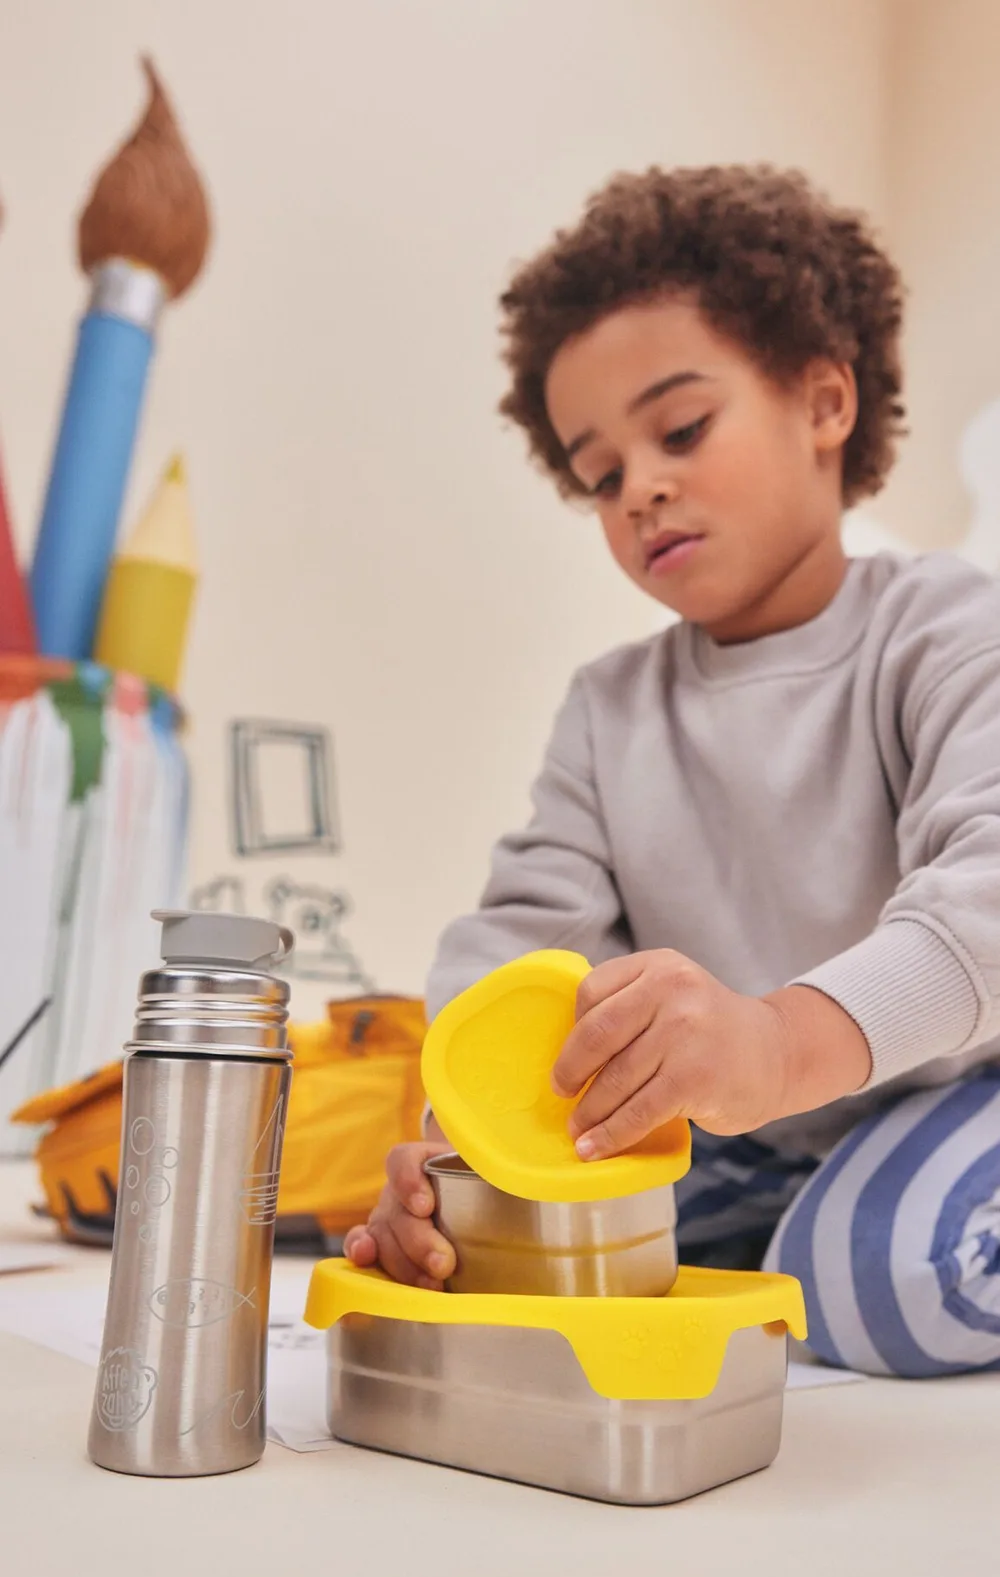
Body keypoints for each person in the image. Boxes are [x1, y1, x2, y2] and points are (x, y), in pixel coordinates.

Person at [345, 164, 1000, 1377]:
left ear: (823, 402)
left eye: (681, 428)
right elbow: (521, 943)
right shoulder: (609, 709)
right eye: (601, 474)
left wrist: (773, 1044)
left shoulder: (946, 629)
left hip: (963, 1079)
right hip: (773, 1132)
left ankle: (822, 1232)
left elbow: (986, 904)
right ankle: (797, 1220)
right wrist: (458, 1159)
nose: (639, 485)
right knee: (525, 1259)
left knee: (869, 1280)